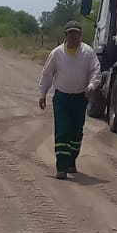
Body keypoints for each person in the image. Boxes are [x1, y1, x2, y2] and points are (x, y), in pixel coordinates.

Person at [38, 21, 101, 179]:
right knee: (62, 131)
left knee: (76, 132)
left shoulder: (88, 52)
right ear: (65, 35)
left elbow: (95, 70)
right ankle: (61, 167)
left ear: (80, 35)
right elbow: (47, 74)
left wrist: (92, 85)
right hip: (62, 99)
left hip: (80, 98)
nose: (73, 36)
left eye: (76, 33)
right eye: (70, 33)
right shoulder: (57, 53)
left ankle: (71, 161)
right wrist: (42, 94)